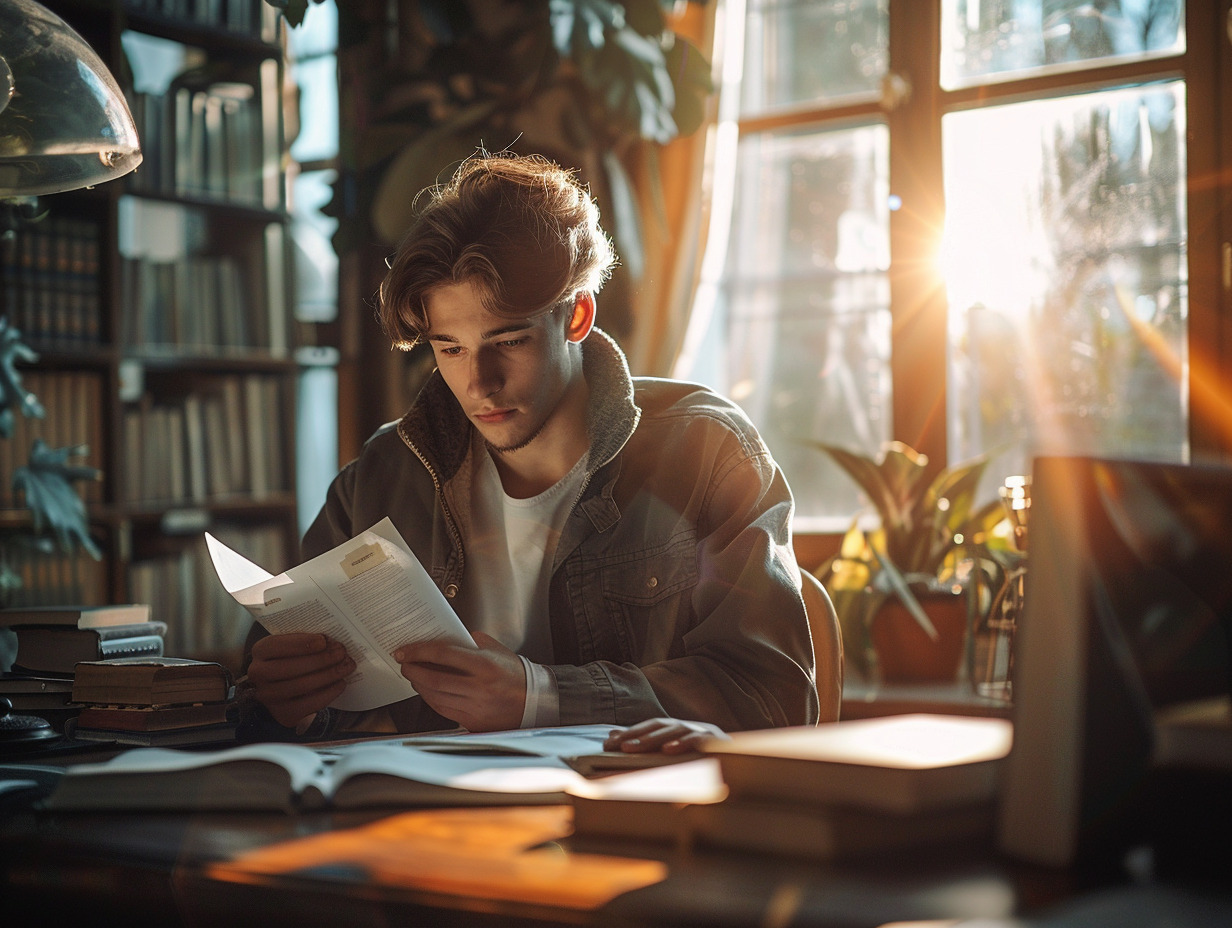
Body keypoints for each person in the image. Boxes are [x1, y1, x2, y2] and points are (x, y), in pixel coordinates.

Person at [237, 152, 820, 742]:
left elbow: (771, 695)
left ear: (578, 315)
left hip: (625, 816)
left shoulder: (704, 452)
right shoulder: (384, 476)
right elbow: (265, 692)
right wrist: (289, 700)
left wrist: (539, 697)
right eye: (450, 349)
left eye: (508, 340)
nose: (479, 383)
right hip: (424, 813)